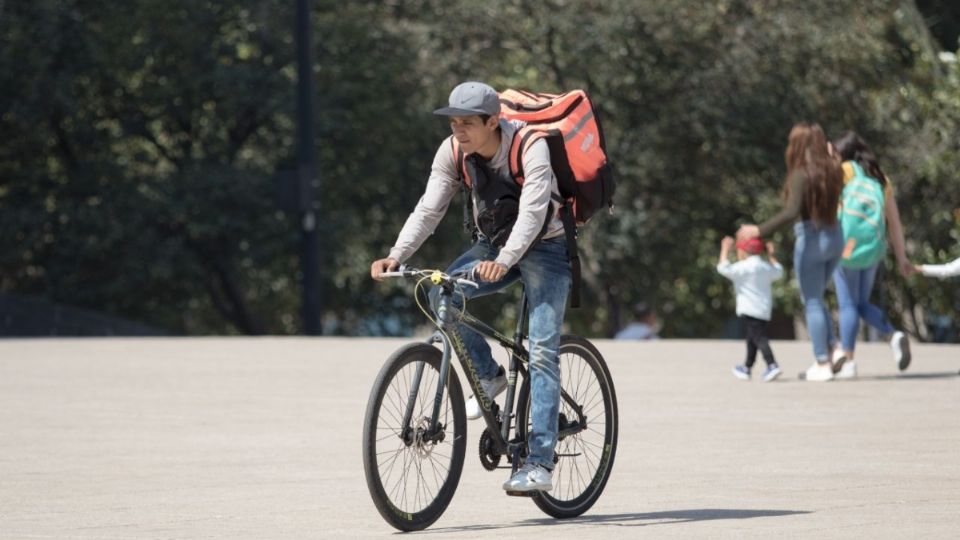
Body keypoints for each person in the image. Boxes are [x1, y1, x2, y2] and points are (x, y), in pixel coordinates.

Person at [370, 81, 569, 493]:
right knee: (438, 291)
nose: (457, 131)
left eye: (466, 123)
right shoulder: (452, 151)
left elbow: (533, 213)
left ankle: (540, 462)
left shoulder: (529, 145)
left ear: (493, 121)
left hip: (546, 247)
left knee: (544, 352)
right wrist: (398, 253)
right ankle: (489, 376)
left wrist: (504, 262)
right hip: (493, 244)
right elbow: (430, 207)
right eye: (452, 122)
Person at [737, 123, 844, 382]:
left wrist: (758, 230)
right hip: (835, 235)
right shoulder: (833, 169)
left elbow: (791, 211)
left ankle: (821, 362)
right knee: (819, 297)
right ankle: (834, 348)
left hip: (812, 237)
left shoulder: (800, 174)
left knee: (813, 301)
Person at [829, 132, 914, 379]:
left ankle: (849, 360)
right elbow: (894, 223)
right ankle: (893, 335)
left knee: (847, 305)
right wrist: (902, 258)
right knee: (860, 304)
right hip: (873, 249)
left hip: (846, 248)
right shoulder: (879, 179)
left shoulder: (842, 173)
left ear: (842, 154)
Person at [717, 236, 785, 382]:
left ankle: (771, 364)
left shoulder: (742, 267)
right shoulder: (765, 267)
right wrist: (771, 255)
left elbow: (723, 268)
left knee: (759, 338)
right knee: (752, 338)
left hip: (749, 309)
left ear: (742, 251)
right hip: (764, 309)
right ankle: (747, 367)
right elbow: (779, 271)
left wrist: (724, 250)